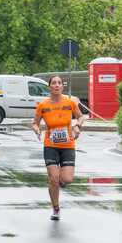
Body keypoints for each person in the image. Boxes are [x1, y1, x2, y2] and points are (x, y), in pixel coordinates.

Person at [32, 75, 84, 221]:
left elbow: (80, 117)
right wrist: (37, 130)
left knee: (66, 179)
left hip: (68, 145)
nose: (56, 85)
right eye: (53, 83)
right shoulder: (43, 105)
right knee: (53, 178)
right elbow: (35, 123)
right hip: (50, 145)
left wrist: (77, 126)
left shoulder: (70, 103)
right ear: (49, 87)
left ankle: (59, 182)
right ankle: (55, 208)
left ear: (62, 86)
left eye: (59, 83)